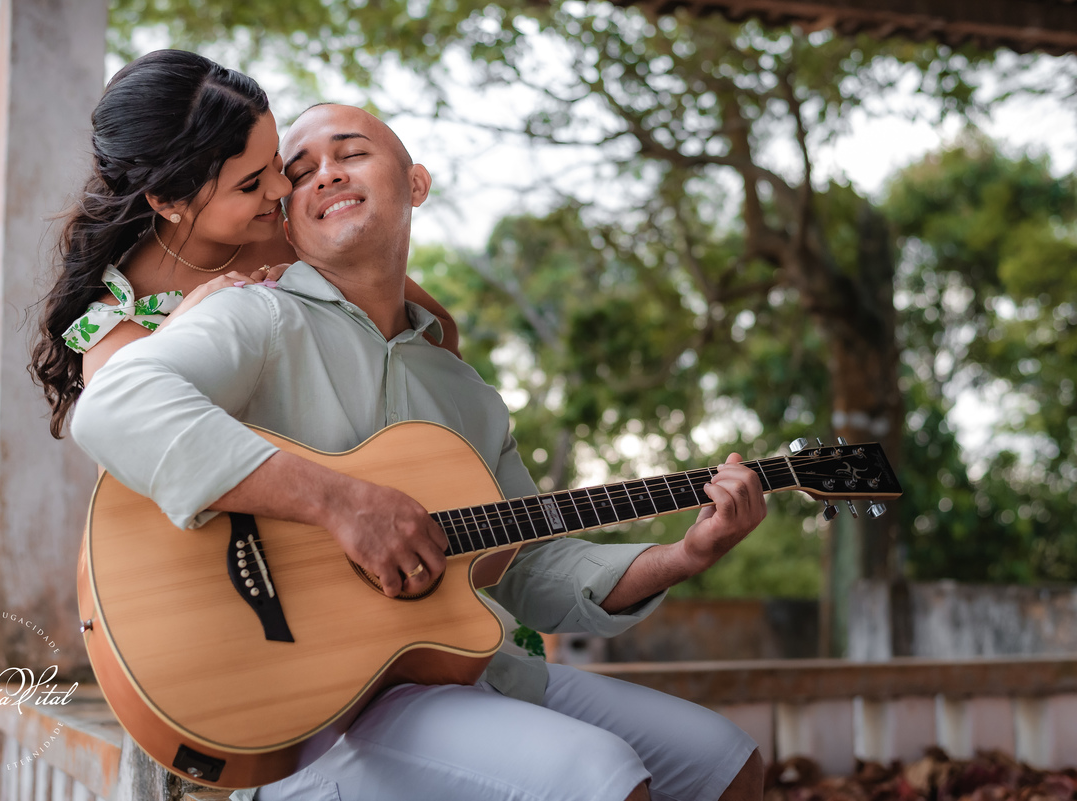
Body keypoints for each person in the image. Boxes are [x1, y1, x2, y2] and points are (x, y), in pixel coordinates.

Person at [66, 96, 767, 801]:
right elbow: (117, 403)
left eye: (351, 153)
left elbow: (535, 566)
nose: (324, 175)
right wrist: (341, 503)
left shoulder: (464, 389)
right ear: (286, 223)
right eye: (300, 171)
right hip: (323, 712)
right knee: (599, 775)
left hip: (478, 673)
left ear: (417, 185)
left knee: (722, 758)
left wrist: (685, 555)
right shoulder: (256, 313)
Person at [29, 50, 458, 436]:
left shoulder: (294, 230)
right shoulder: (120, 327)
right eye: (251, 184)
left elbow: (437, 338)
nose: (280, 188)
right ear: (168, 201)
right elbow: (132, 447)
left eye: (276, 161)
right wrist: (178, 329)